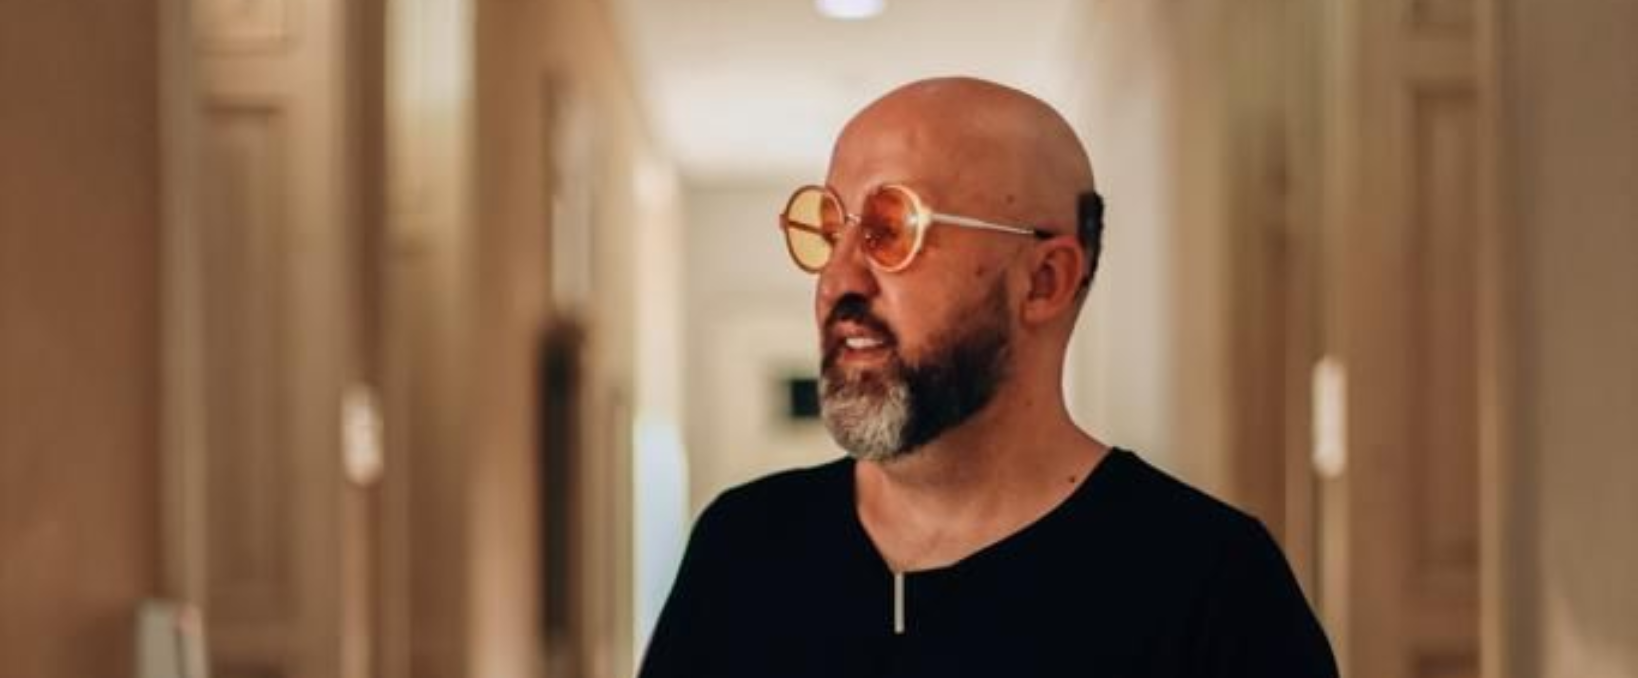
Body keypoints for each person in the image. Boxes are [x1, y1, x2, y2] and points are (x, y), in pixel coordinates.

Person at [637, 77, 1338, 677]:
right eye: (830, 231)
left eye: (894, 229)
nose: (837, 281)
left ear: (1044, 280)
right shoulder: (743, 548)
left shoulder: (1211, 587)